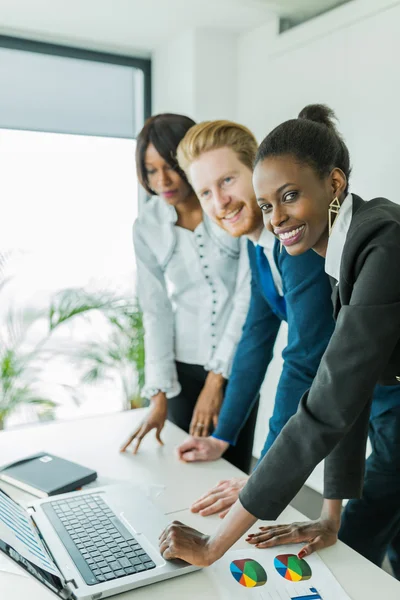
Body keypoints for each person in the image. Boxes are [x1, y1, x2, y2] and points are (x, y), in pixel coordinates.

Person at [159, 105, 400, 579]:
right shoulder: (342, 250)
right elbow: (345, 392)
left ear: (333, 184)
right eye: (267, 204)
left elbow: (326, 401)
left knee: (361, 539)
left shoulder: (381, 244)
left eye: (289, 197)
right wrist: (328, 517)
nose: (275, 218)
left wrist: (214, 544)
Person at [173, 119, 334, 517]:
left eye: (227, 181)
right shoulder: (259, 247)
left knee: (369, 524)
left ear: (258, 173)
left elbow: (302, 358)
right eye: (205, 192)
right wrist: (223, 436)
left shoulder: (296, 241)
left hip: (389, 393)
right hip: (362, 396)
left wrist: (264, 469)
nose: (219, 203)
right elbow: (255, 339)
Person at [120, 113, 255, 473]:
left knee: (232, 469)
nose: (161, 180)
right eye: (150, 171)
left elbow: (247, 294)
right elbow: (155, 309)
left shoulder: (230, 208)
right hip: (181, 366)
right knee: (186, 468)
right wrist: (159, 394)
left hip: (237, 362)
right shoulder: (146, 227)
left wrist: (217, 380)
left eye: (169, 167)